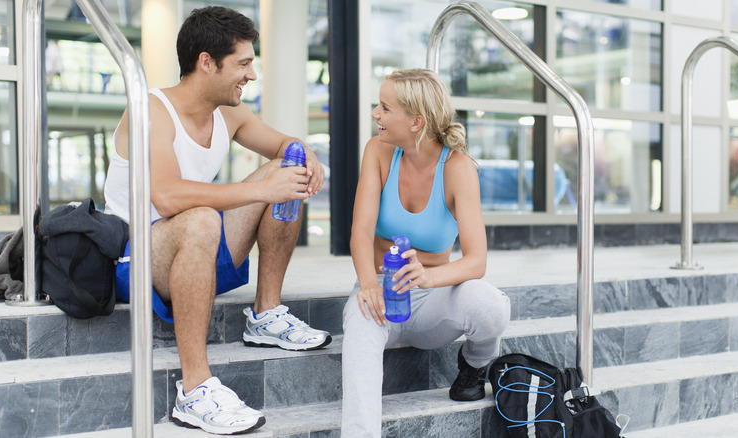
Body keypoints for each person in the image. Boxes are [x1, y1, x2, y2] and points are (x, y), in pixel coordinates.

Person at [102, 6, 332, 435]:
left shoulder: (230, 113)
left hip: (194, 251)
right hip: (134, 259)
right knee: (204, 218)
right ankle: (194, 390)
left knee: (288, 165)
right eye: (243, 64)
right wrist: (261, 190)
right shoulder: (150, 110)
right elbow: (167, 196)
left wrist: (304, 152)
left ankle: (266, 314)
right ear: (207, 62)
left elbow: (283, 143)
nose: (252, 75)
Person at [341, 68, 511, 437]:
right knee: (358, 332)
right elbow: (359, 231)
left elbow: (476, 260)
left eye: (385, 108)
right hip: (380, 293)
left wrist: (429, 277)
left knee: (491, 304)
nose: (375, 114)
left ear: (416, 122)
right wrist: (368, 284)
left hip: (431, 298)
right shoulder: (378, 151)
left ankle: (475, 363)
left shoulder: (458, 168)